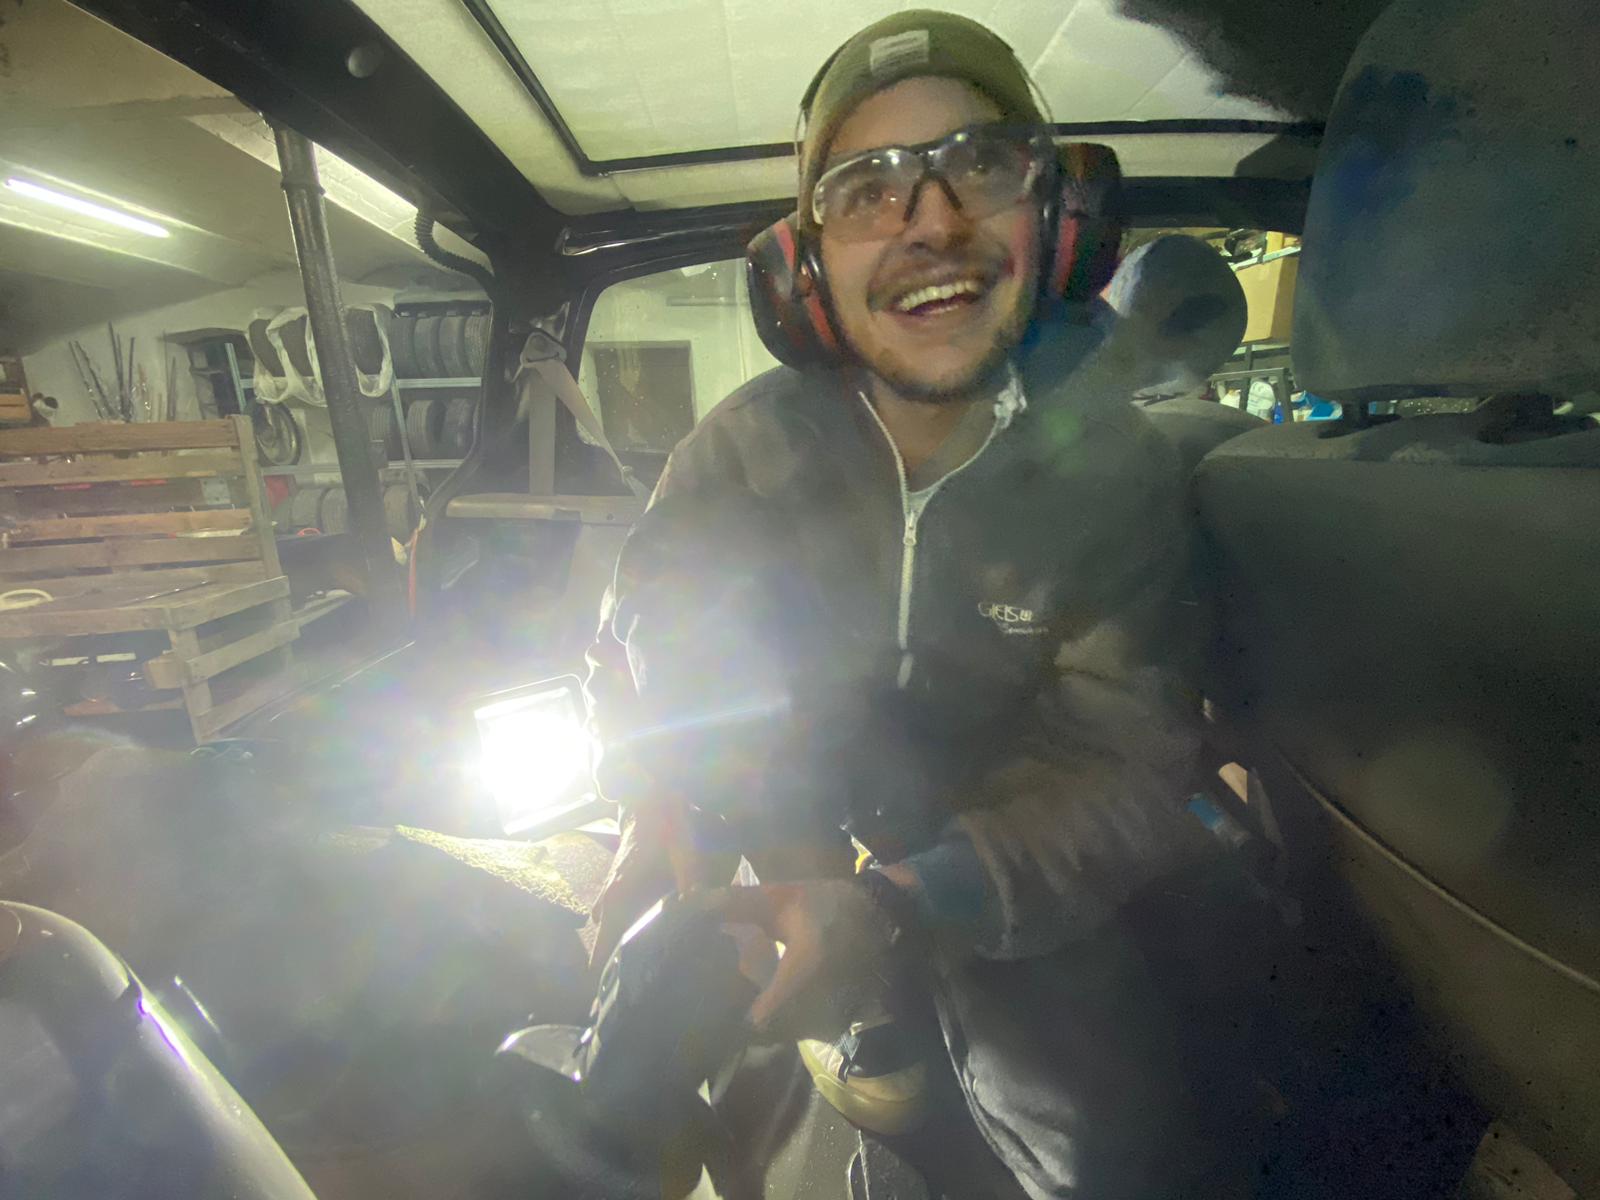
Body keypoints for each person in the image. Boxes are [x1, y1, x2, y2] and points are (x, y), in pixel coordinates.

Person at [584, 12, 1274, 1197]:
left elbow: (1128, 767)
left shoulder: (1117, 473)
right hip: (795, 821)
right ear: (803, 267)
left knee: (1104, 1148)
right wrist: (658, 809)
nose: (933, 222)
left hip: (1006, 850)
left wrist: (901, 906)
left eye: (980, 167)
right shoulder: (740, 450)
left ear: (1060, 218)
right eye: (868, 190)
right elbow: (645, 654)